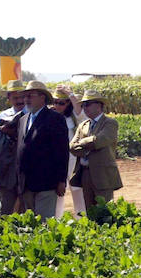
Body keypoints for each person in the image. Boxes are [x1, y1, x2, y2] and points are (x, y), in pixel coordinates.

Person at [15, 81, 68, 221]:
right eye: (25, 96)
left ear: (42, 97)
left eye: (30, 95)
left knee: (44, 224)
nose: (26, 99)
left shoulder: (55, 119)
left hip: (46, 182)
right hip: (26, 183)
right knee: (30, 223)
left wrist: (61, 180)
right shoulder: (23, 120)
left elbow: (62, 151)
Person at [69, 89, 122, 215]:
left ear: (99, 105)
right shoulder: (83, 125)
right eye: (83, 105)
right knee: (90, 211)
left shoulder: (110, 123)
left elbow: (99, 141)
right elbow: (71, 147)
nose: (85, 107)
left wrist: (82, 143)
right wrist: (88, 144)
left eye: (88, 104)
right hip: (85, 173)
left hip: (103, 174)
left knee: (105, 212)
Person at [0, 79, 27, 215]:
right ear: (9, 98)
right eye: (16, 97)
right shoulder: (3, 115)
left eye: (22, 97)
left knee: (25, 206)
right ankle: (2, 233)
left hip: (26, 167)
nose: (20, 100)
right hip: (7, 166)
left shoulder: (32, 114)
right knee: (6, 204)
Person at [51, 85, 85, 216]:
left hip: (73, 157)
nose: (57, 106)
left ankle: (81, 219)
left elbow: (81, 114)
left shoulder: (73, 117)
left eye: (61, 103)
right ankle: (56, 218)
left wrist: (71, 95)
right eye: (55, 102)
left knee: (77, 188)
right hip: (57, 158)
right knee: (58, 189)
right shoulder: (51, 116)